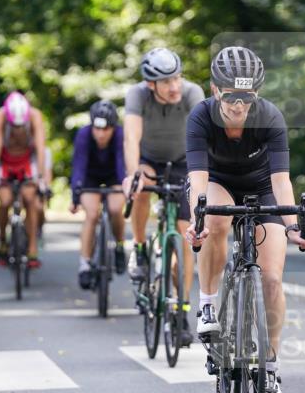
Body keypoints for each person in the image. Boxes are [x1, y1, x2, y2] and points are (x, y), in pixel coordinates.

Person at [185, 46, 305, 393]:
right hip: (218, 181)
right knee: (214, 216)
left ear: (256, 94)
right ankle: (209, 304)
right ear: (215, 90)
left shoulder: (270, 117)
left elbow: (281, 181)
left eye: (246, 97)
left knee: (272, 279)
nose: (239, 105)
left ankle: (269, 365)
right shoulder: (200, 117)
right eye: (231, 96)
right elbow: (197, 178)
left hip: (262, 188)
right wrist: (197, 220)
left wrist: (293, 226)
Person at [121, 47, 205, 344]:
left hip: (184, 162)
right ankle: (141, 248)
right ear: (151, 85)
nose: (174, 87)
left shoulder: (193, 93)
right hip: (149, 160)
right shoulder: (137, 95)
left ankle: (181, 309)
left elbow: (205, 137)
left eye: (177, 78)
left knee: (185, 237)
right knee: (141, 186)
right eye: (167, 82)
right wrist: (133, 174)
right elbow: (131, 137)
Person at [0, 91, 48, 268]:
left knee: (30, 198)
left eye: (21, 126)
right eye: (14, 126)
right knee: (5, 201)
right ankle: (2, 241)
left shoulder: (35, 116)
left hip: (27, 162)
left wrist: (41, 176)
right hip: (5, 162)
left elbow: (40, 148)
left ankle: (32, 249)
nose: (18, 129)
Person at [70, 100, 127, 289]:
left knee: (115, 208)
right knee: (92, 214)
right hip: (90, 177)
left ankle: (119, 245)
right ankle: (84, 264)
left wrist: (126, 189)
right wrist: (75, 197)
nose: (101, 134)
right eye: (97, 129)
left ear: (113, 127)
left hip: (113, 175)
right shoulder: (84, 134)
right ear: (92, 125)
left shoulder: (120, 135)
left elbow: (121, 163)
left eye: (106, 129)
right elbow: (79, 166)